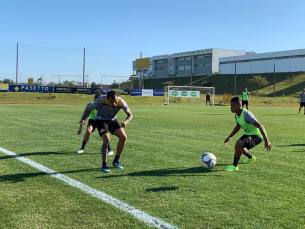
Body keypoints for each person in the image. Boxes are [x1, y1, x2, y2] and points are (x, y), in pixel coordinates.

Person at [79, 90, 133, 173]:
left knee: (123, 137)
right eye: (111, 101)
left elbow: (130, 115)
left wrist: (125, 122)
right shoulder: (101, 99)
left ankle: (116, 161)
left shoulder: (121, 102)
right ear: (107, 98)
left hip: (112, 120)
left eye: (115, 101)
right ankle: (104, 165)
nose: (114, 104)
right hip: (101, 120)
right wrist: (83, 119)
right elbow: (89, 110)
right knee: (106, 140)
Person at [224, 96, 272, 171]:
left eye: (233, 106)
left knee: (239, 144)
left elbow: (260, 126)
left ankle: (234, 166)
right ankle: (251, 158)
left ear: (239, 105)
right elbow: (238, 126)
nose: (231, 108)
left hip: (256, 136)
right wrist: (229, 137)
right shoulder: (237, 114)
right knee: (240, 146)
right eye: (230, 106)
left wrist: (266, 141)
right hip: (248, 134)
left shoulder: (246, 115)